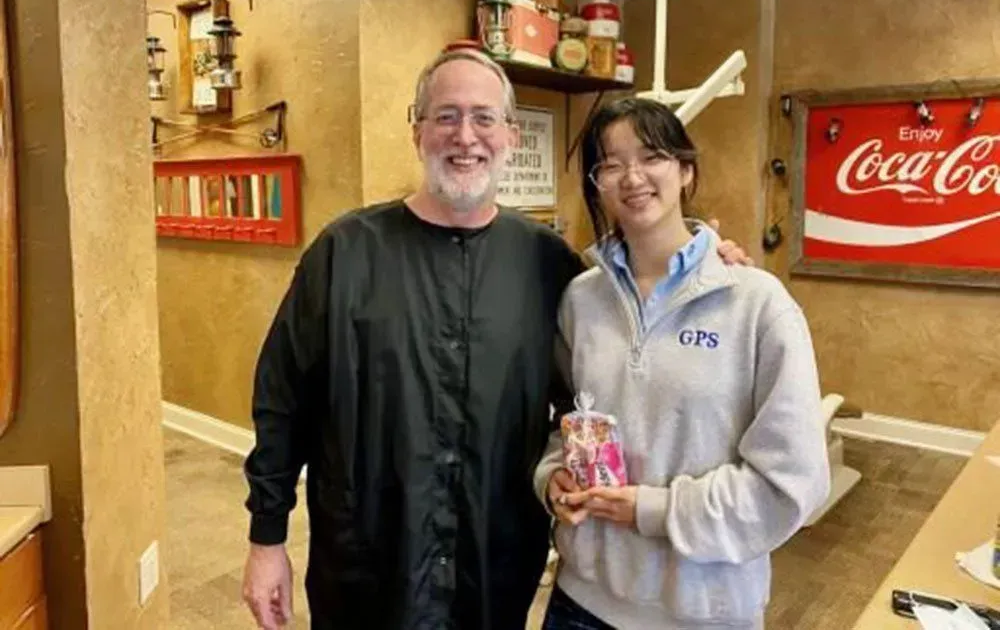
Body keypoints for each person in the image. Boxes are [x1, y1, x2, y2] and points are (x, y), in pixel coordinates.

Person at [240, 49, 751, 630]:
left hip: (494, 575)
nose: (466, 136)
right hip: (369, 576)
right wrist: (266, 538)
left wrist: (707, 254)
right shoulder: (345, 254)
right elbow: (283, 403)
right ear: (418, 131)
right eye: (446, 116)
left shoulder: (549, 266)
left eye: (484, 118)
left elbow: (612, 356)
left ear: (511, 134)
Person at [534, 98, 831, 630]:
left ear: (686, 169)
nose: (632, 177)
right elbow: (564, 420)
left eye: (652, 156)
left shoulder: (756, 303)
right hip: (581, 602)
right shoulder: (580, 299)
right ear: (596, 183)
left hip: (702, 611)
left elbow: (792, 483)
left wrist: (652, 509)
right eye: (610, 163)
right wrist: (553, 475)